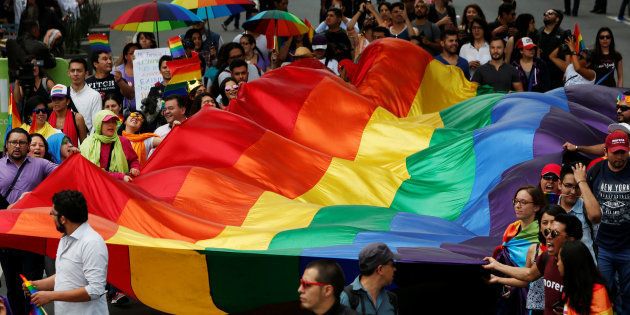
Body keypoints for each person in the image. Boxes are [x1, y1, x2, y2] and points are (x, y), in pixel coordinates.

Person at [0, 128, 57, 315]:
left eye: (22, 142)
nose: (17, 146)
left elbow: (64, 173)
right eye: (13, 142)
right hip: (6, 238)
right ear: (6, 145)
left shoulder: (40, 164)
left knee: (32, 287)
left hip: (32, 236)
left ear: (27, 146)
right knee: (13, 287)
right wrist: (10, 208)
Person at [26, 190, 108, 314]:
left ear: (63, 219)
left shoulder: (92, 243)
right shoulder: (66, 238)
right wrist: (38, 285)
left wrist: (51, 296)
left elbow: (95, 290)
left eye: (53, 213)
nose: (52, 216)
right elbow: (65, 275)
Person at [484, 214, 584, 315]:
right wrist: (496, 267)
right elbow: (529, 274)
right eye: (547, 232)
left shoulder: (583, 269)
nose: (548, 237)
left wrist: (569, 311)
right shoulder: (546, 257)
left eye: (554, 233)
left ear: (571, 240)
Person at [587, 130, 630, 314]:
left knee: (628, 294)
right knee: (605, 289)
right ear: (606, 151)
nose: (619, 156)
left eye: (623, 151)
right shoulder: (596, 171)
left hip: (628, 246)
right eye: (615, 152)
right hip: (603, 245)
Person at [490, 185, 546, 315]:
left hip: (531, 295)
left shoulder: (542, 233)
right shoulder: (511, 228)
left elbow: (531, 274)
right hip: (509, 290)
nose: (517, 206)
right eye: (516, 201)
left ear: (536, 207)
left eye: (523, 202)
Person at [79, 110, 140, 182]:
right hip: (96, 186)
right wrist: (119, 176)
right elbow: (91, 171)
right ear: (99, 124)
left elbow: (133, 160)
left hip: (119, 186)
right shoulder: (87, 144)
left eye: (114, 122)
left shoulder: (123, 141)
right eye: (107, 122)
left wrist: (134, 168)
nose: (111, 125)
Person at [340, 242, 398, 314]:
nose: (395, 269)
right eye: (392, 265)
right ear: (380, 269)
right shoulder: (347, 297)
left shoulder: (391, 299)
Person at [558, 164, 600, 261]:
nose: (573, 192)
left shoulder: (588, 208)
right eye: (568, 186)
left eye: (577, 187)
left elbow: (596, 216)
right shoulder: (551, 208)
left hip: (585, 270)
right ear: (559, 184)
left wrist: (582, 181)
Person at [558, 241, 613, 314]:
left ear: (569, 263)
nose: (557, 263)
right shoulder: (572, 286)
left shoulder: (598, 292)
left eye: (559, 260)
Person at [67, 58, 101, 133]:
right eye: (72, 71)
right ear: (68, 73)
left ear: (86, 74)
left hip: (87, 141)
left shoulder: (95, 95)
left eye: (79, 71)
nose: (75, 74)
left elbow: (96, 125)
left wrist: (89, 143)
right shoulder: (63, 94)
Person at [536, 9, 567, 89]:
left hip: (556, 75)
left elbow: (567, 56)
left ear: (557, 19)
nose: (546, 14)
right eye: (545, 13)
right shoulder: (539, 31)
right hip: (541, 73)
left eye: (550, 13)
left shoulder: (562, 34)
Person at [113, 42, 140, 111]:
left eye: (137, 53)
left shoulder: (147, 70)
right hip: (124, 111)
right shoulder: (117, 71)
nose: (134, 55)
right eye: (131, 53)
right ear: (125, 56)